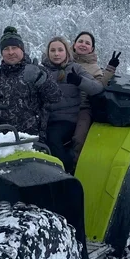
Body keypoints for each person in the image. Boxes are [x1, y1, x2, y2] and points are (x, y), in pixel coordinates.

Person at [42, 36, 104, 174]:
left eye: (60, 50)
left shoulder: (75, 68)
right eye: (52, 50)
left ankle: (65, 172)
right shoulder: (42, 71)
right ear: (48, 53)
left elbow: (98, 87)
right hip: (45, 117)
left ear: (66, 52)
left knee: (52, 137)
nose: (56, 54)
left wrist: (79, 81)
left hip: (66, 118)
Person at [72, 31, 121, 157]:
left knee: (78, 138)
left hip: (83, 107)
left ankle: (73, 167)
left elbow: (100, 86)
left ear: (92, 49)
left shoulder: (94, 68)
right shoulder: (63, 60)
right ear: (74, 44)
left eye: (87, 43)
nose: (83, 45)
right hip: (60, 105)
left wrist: (110, 69)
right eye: (80, 41)